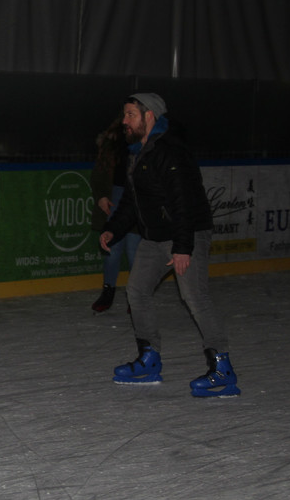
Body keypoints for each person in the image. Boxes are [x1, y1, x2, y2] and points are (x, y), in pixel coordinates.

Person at [99, 93, 240, 397]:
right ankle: (149, 358)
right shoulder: (137, 153)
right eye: (125, 115)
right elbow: (131, 203)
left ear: (149, 115)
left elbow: (183, 201)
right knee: (137, 290)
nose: (125, 121)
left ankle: (223, 369)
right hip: (155, 237)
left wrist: (183, 247)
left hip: (186, 233)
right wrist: (112, 230)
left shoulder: (171, 151)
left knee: (195, 297)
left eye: (131, 115)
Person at [89, 115, 140, 312]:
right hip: (115, 197)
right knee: (112, 248)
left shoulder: (147, 142)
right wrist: (101, 196)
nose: (128, 120)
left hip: (136, 198)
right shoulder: (112, 143)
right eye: (126, 115)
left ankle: (136, 296)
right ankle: (108, 290)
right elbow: (98, 173)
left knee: (134, 250)